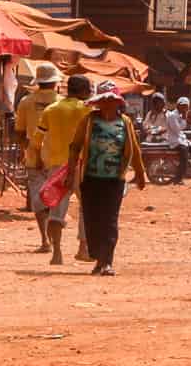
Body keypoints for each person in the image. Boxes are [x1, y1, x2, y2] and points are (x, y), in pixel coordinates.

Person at [63, 83, 147, 276]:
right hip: (90, 178)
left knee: (109, 220)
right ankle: (97, 257)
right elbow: (74, 147)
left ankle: (106, 261)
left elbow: (134, 149)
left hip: (114, 180)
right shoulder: (88, 121)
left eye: (111, 100)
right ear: (98, 102)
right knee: (92, 219)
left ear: (117, 102)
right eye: (104, 100)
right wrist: (70, 174)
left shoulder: (125, 122)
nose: (107, 103)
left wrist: (141, 175)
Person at [31, 74, 94, 264]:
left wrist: (39, 159)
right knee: (86, 209)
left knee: (56, 211)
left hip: (57, 166)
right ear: (83, 91)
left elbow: (36, 139)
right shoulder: (89, 110)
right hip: (82, 165)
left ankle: (56, 253)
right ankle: (83, 248)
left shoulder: (51, 110)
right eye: (89, 89)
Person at [14, 62, 63, 226]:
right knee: (55, 197)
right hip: (58, 158)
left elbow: (19, 132)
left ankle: (44, 239)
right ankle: (53, 235)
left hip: (34, 157)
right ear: (56, 82)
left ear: (38, 81)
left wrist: (25, 150)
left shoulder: (25, 102)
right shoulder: (62, 103)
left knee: (38, 199)